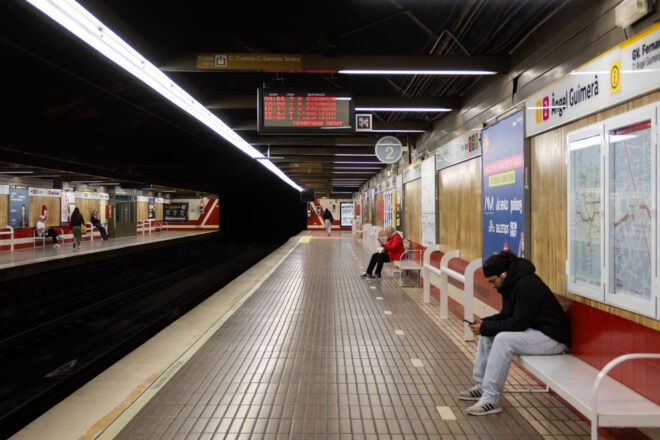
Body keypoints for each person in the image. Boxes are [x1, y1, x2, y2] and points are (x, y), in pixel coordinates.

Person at [458, 249, 570, 416]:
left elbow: (519, 322)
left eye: (493, 281)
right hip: (536, 331)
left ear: (503, 274)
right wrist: (485, 323)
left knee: (503, 339)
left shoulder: (527, 284)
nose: (493, 286)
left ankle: (491, 400)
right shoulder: (510, 284)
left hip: (553, 338)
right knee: (488, 332)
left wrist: (487, 327)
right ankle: (482, 386)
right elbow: (506, 315)